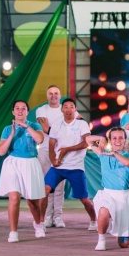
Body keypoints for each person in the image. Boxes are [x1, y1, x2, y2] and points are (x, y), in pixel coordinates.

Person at [42, 98, 97, 230]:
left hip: (75, 168)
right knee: (44, 191)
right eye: (65, 107)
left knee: (84, 199)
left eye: (71, 107)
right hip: (57, 167)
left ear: (75, 109)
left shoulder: (82, 124)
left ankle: (94, 220)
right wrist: (53, 160)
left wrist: (67, 149)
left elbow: (87, 142)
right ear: (62, 109)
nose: (68, 109)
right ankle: (40, 222)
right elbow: (51, 146)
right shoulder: (56, 125)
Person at [85, 127, 129, 251]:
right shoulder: (103, 153)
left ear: (125, 140)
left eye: (121, 138)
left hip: (124, 197)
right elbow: (88, 140)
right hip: (107, 194)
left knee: (123, 245)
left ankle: (125, 233)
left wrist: (115, 154)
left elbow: (128, 163)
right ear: (110, 140)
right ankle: (101, 240)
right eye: (114, 138)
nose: (117, 141)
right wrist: (101, 138)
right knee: (103, 211)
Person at [0, 100, 45, 242]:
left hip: (30, 163)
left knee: (32, 202)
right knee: (14, 198)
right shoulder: (7, 129)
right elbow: (1, 151)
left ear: (27, 112)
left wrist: (27, 127)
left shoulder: (35, 126)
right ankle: (13, 232)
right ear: (13, 111)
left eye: (23, 108)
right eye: (17, 108)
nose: (20, 111)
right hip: (13, 163)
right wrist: (12, 134)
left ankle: (38, 224)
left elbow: (40, 139)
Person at [36, 85, 75, 229]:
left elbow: (79, 121)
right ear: (47, 95)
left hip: (61, 153)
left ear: (60, 95)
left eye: (56, 93)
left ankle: (57, 216)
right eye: (50, 93)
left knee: (59, 187)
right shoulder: (41, 110)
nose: (53, 96)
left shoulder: (66, 109)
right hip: (45, 151)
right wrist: (64, 132)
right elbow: (46, 129)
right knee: (47, 186)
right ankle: (47, 216)